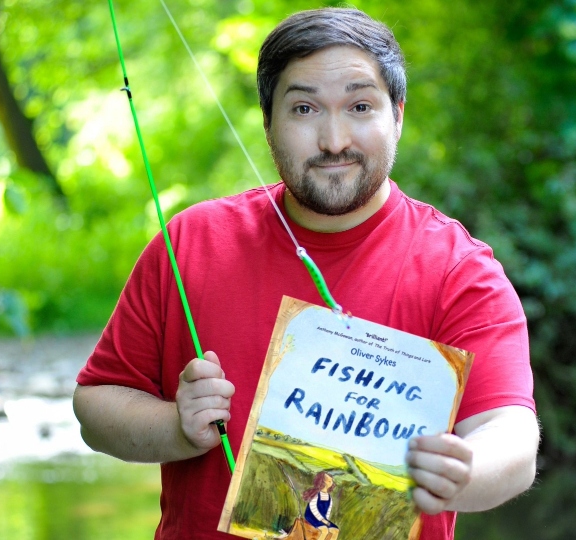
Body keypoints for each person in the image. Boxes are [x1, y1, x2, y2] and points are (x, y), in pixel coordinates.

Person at [73, 7, 539, 540]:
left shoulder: (460, 270)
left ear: (399, 115)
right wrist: (174, 429)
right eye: (304, 109)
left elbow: (512, 439)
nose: (334, 139)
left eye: (360, 106)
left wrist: (461, 473)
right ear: (268, 122)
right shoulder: (191, 242)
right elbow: (95, 404)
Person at [302, 472, 338, 540]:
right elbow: (313, 509)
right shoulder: (316, 494)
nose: (332, 482)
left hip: (323, 519)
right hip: (312, 517)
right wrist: (323, 520)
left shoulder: (329, 497)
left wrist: (326, 520)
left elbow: (328, 511)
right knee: (324, 531)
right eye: (329, 481)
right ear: (322, 482)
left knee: (335, 530)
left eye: (332, 481)